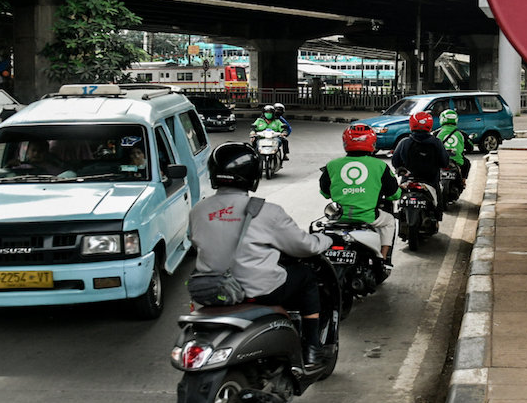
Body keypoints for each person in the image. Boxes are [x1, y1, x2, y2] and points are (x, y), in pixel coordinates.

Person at [189, 142, 333, 370]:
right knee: (306, 276)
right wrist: (326, 240)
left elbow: (195, 240)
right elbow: (304, 247)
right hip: (260, 292)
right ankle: (312, 348)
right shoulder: (267, 211)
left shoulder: (198, 210)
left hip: (211, 293)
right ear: (252, 175)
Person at [319, 124, 401, 266]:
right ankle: (383, 259)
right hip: (368, 217)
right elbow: (394, 194)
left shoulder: (332, 165)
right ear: (372, 142)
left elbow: (325, 193)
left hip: (337, 217)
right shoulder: (380, 166)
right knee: (389, 221)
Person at [391, 111, 451, 219]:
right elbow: (444, 162)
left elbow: (395, 161)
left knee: (398, 202)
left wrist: (402, 169)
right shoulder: (436, 143)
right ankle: (437, 218)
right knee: (438, 201)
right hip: (430, 181)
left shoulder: (404, 142)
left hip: (408, 180)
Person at [432, 109, 471, 186]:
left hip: (441, 161)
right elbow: (470, 147)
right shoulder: (461, 133)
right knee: (467, 163)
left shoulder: (436, 133)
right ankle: (463, 180)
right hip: (457, 161)